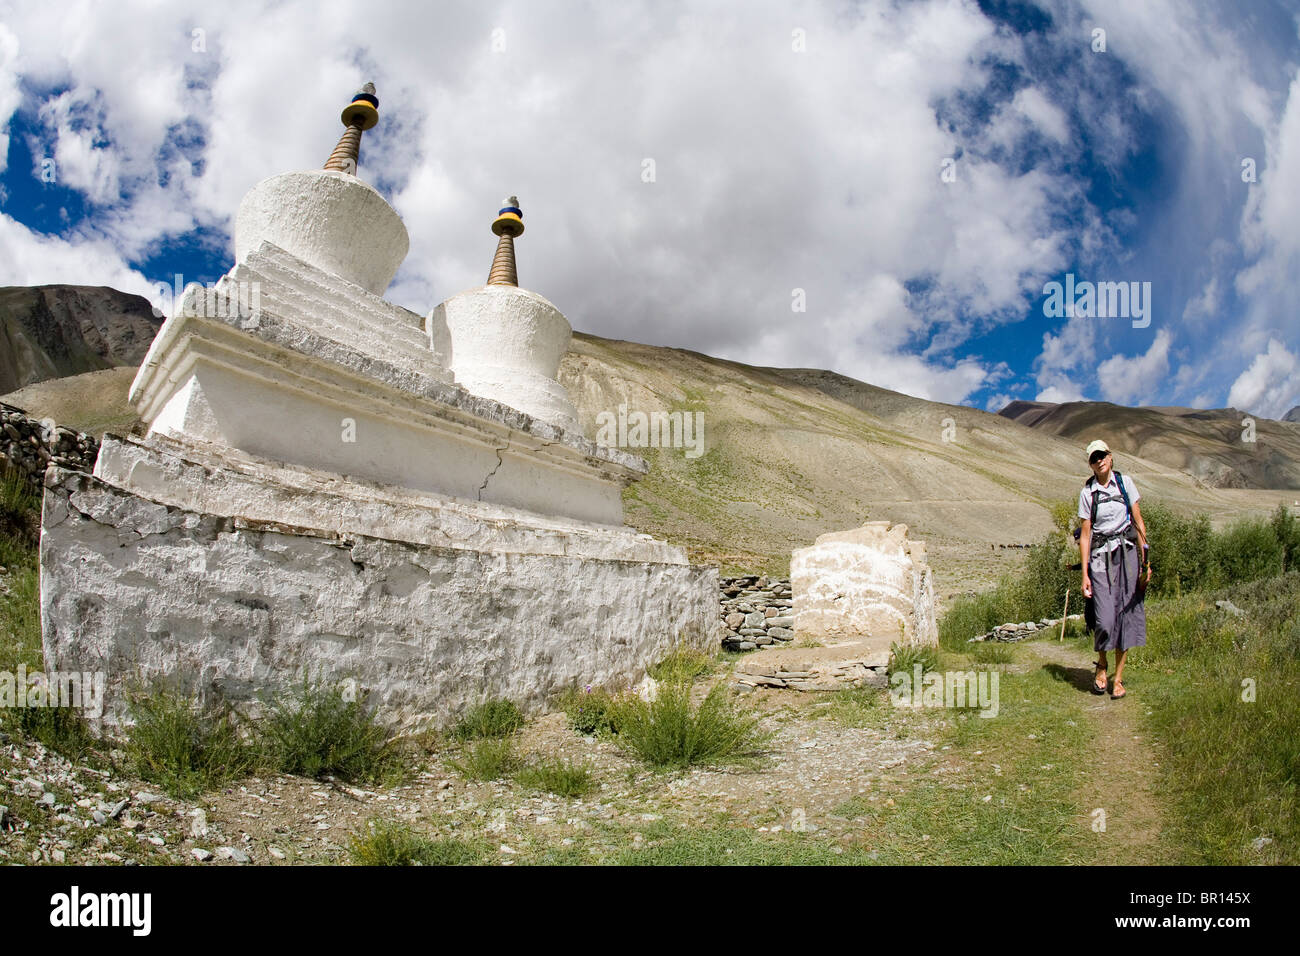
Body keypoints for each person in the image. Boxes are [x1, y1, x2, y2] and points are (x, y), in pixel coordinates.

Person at [1078, 439, 1150, 699]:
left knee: (1125, 618)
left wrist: (1146, 561)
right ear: (1091, 464)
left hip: (1128, 554)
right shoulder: (1088, 493)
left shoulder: (1125, 483)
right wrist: (1085, 574)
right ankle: (1102, 664)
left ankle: (1117, 679)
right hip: (1099, 558)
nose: (1099, 460)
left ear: (1110, 457)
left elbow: (1138, 520)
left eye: (1102, 455)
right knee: (1105, 618)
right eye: (1093, 458)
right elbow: (1085, 535)